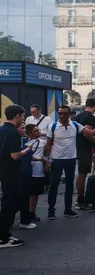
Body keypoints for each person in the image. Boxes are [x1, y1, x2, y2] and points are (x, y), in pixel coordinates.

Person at [44, 105, 95, 220]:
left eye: (64, 113)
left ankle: (68, 209)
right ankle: (51, 210)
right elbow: (49, 144)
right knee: (54, 185)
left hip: (71, 159)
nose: (61, 116)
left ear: (69, 114)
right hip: (57, 160)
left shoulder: (75, 125)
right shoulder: (53, 126)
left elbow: (90, 133)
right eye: (60, 113)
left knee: (69, 185)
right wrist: (47, 160)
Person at [0, 105, 31, 248]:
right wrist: (26, 150)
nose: (23, 119)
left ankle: (5, 234)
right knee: (11, 203)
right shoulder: (13, 133)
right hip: (11, 172)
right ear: (17, 115)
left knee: (8, 202)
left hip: (4, 170)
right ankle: (3, 237)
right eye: (23, 116)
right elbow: (15, 155)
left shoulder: (2, 129)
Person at [25, 124, 48, 224]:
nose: (38, 132)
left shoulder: (43, 142)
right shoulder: (26, 143)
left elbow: (47, 155)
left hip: (40, 171)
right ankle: (30, 213)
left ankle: (32, 212)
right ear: (29, 133)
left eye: (38, 130)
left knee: (37, 193)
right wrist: (42, 160)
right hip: (30, 170)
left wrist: (47, 163)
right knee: (31, 193)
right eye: (35, 131)